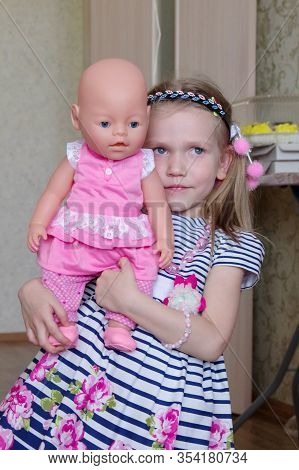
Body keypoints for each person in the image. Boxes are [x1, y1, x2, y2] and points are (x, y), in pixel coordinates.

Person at [0, 77, 264, 450]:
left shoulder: (229, 244)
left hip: (157, 413)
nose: (176, 167)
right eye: (159, 149)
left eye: (196, 151)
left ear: (223, 162)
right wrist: (31, 289)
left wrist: (130, 303)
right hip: (72, 389)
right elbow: (66, 271)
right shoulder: (116, 219)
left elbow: (211, 341)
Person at [26, 58, 173, 352]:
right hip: (81, 238)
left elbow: (158, 203)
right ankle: (62, 320)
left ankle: (119, 325)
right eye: (105, 124)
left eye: (133, 123)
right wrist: (39, 222)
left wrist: (164, 238)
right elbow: (54, 193)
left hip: (126, 244)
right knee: (61, 272)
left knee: (144, 271)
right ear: (77, 118)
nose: (120, 134)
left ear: (146, 116)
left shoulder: (143, 162)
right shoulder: (77, 156)